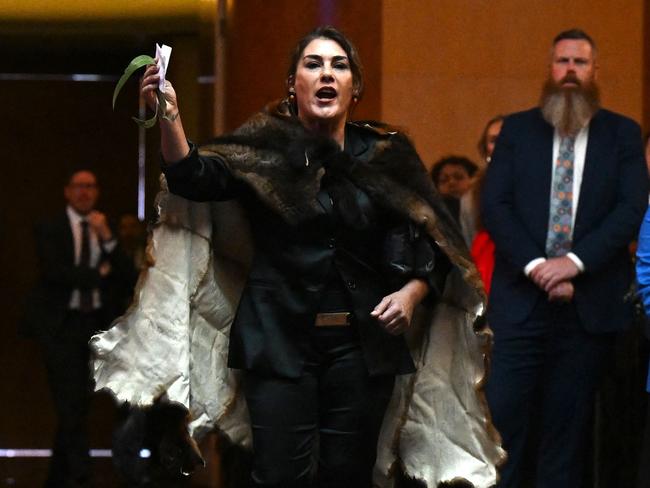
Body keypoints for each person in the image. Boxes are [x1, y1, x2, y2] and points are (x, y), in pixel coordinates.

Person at [92, 26, 504, 487]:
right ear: (293, 84)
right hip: (278, 340)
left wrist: (412, 293)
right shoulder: (264, 150)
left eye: (339, 65)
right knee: (279, 475)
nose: (326, 74)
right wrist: (169, 116)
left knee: (347, 476)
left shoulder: (388, 155)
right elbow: (192, 176)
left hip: (363, 347)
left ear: (355, 86)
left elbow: (437, 242)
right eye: (313, 64)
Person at [481, 28, 648, 488]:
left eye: (579, 62)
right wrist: (540, 268)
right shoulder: (517, 130)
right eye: (562, 62)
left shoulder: (622, 133)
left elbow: (630, 208)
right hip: (520, 309)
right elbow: (495, 206)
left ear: (595, 71)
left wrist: (574, 263)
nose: (569, 71)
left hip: (588, 311)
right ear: (550, 69)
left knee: (567, 440)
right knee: (504, 433)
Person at [21, 169, 134, 488]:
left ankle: (58, 478)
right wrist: (99, 273)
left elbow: (127, 276)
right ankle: (82, 476)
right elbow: (56, 273)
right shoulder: (51, 228)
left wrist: (108, 241)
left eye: (90, 186)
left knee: (77, 406)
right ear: (67, 192)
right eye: (78, 187)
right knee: (69, 402)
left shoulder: (104, 227)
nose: (85, 192)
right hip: (63, 326)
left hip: (97, 327)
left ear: (96, 192)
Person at [461, 116, 504, 292]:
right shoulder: (472, 193)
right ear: (485, 149)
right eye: (494, 140)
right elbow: (469, 235)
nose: (501, 144)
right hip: (486, 268)